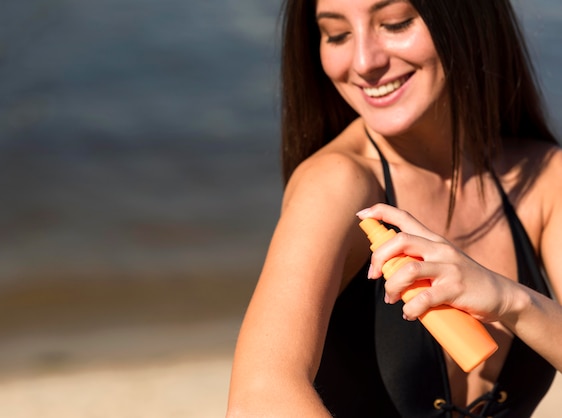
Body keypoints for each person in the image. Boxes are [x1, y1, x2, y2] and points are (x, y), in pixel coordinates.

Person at [226, 0, 562, 417]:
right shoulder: (336, 184)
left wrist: (513, 301)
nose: (365, 61)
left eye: (396, 23)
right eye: (337, 34)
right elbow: (259, 396)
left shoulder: (544, 177)